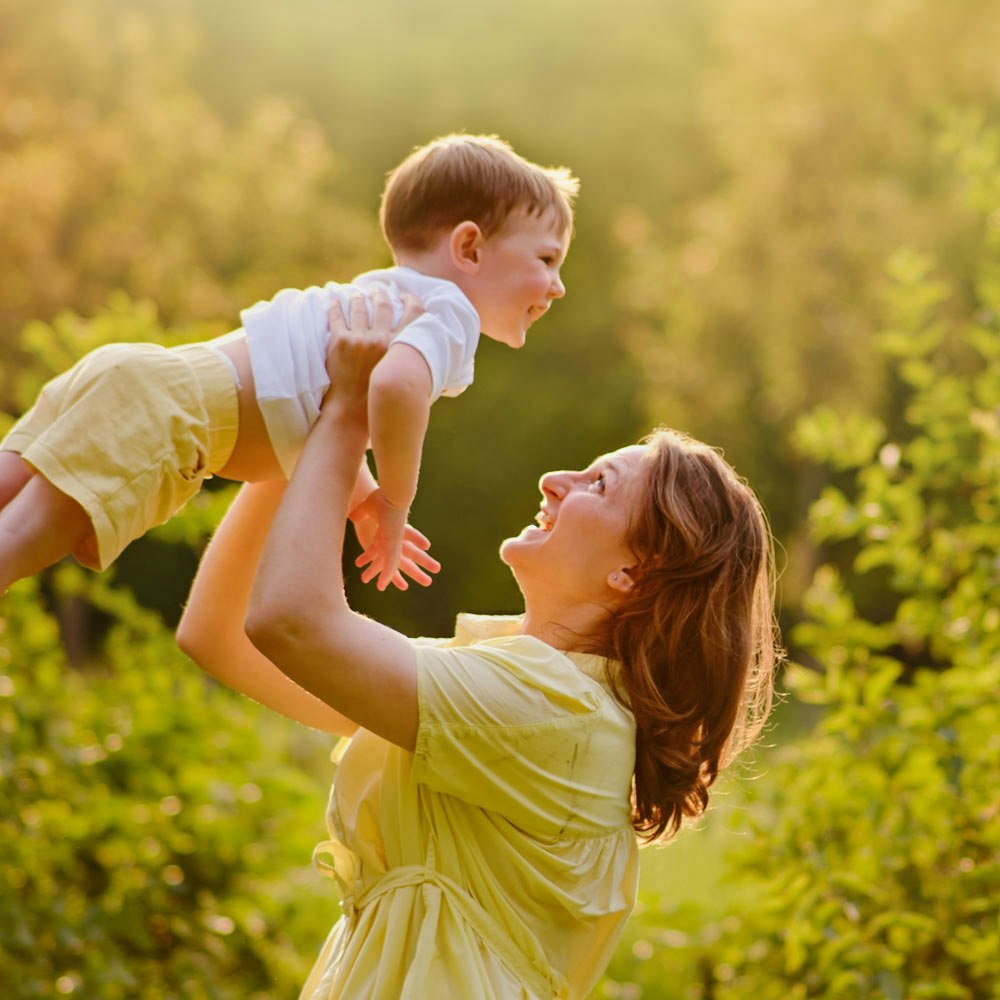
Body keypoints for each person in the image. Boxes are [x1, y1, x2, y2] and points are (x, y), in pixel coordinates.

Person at [176, 293, 781, 998]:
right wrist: (301, 425)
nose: (554, 481)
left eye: (596, 485)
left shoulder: (558, 715)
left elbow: (289, 621)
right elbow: (218, 635)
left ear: (633, 571)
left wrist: (344, 417)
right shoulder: (507, 686)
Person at [0, 133, 577, 593]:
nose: (557, 287)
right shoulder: (450, 314)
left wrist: (361, 502)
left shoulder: (380, 295)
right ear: (470, 248)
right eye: (547, 259)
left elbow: (321, 411)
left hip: (140, 375)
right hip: (174, 413)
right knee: (18, 543)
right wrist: (396, 500)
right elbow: (397, 390)